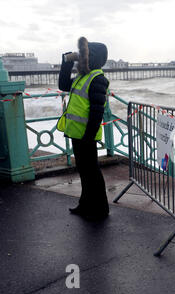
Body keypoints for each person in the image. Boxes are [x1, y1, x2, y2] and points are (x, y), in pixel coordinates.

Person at [57, 36, 110, 221]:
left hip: (86, 135)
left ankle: (101, 208)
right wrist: (65, 63)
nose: (81, 58)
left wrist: (89, 135)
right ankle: (85, 204)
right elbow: (63, 85)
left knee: (92, 171)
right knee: (84, 171)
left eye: (85, 55)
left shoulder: (98, 79)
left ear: (93, 57)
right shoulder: (82, 76)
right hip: (76, 133)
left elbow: (97, 111)